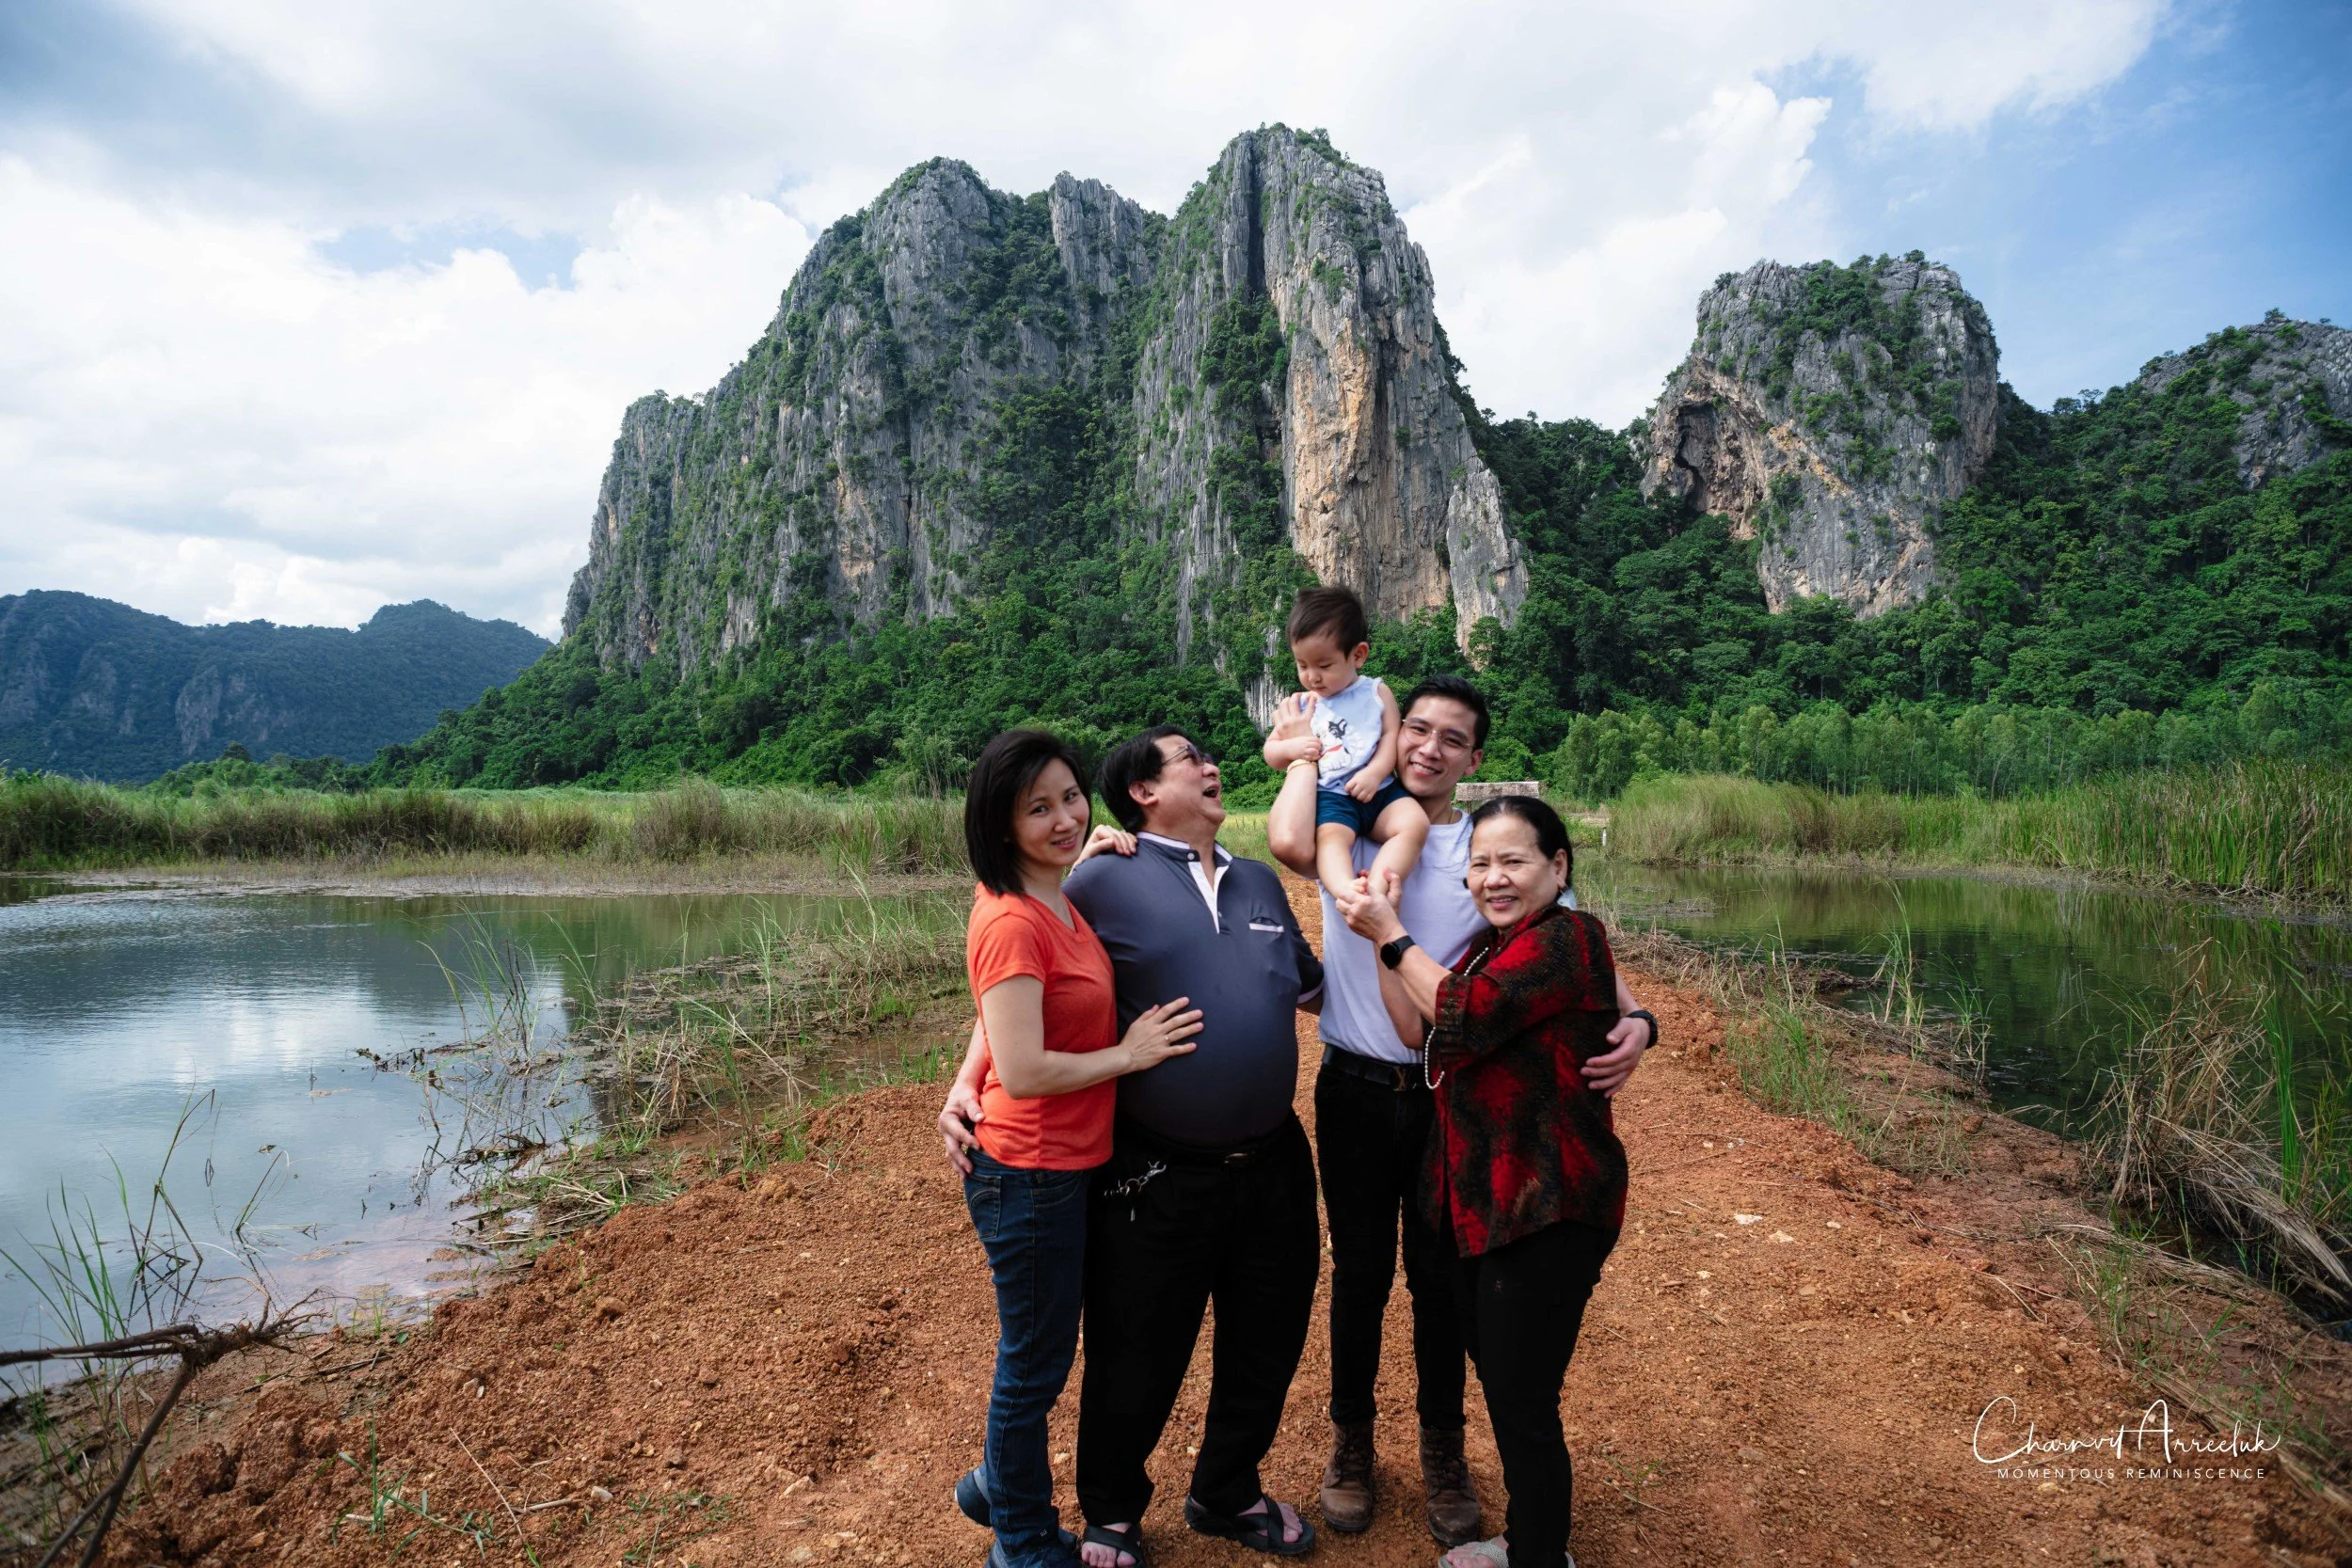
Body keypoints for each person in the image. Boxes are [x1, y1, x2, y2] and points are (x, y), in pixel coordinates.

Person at [1265, 677, 1655, 1545]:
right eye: (1418, 730)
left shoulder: (1484, 846)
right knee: (1360, 1274)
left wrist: (1641, 1022)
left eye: (1452, 739)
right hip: (1356, 1083)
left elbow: (1579, 944)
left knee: (1442, 1278)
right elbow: (1285, 838)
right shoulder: (1345, 826)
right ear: (1393, 732)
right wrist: (1299, 754)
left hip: (1450, 1097)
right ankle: (1352, 1444)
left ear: (1475, 759)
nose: (1429, 749)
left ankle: (1444, 1448)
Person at [1335, 795, 1630, 1568]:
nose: (1493, 877)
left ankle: (1539, 1554)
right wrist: (1379, 938)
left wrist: (1392, 934)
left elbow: (1463, 1014)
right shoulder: (1485, 950)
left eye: (1513, 861)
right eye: (1479, 864)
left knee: (1522, 1399)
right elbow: (1417, 1029)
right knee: (1506, 1380)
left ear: (1557, 866)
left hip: (1550, 1201)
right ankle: (1528, 1539)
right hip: (1487, 1205)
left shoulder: (1568, 937)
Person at [1055, 726, 1327, 1563]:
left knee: (1268, 1336)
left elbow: (1317, 988)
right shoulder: (1101, 879)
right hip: (1157, 1167)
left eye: (1209, 757)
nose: (1212, 766)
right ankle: (1111, 1509)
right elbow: (1022, 971)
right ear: (1142, 790)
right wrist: (967, 1078)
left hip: (1274, 1161)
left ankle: (1227, 1489)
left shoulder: (1258, 880)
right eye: (1189, 760)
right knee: (1136, 1341)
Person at [946, 729, 1207, 1568]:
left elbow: (1007, 1013)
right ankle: (1020, 1541)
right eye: (1039, 808)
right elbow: (1023, 1068)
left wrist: (1085, 855)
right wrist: (1127, 1055)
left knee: (1046, 1350)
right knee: (1033, 1364)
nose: (1064, 818)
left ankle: (995, 1486)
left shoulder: (1054, 897)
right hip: (1027, 1170)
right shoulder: (1010, 918)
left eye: (1070, 798)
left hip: (1065, 1166)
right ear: (1001, 822)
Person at [1261, 585, 1429, 910]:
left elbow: (1390, 736)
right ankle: (1347, 893)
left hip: (1381, 790)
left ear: (1358, 655)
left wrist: (1375, 773)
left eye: (1324, 666)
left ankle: (1377, 887)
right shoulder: (1302, 705)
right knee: (1331, 843)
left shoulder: (1376, 693)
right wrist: (1294, 747)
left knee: (1414, 824)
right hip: (1332, 798)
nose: (1312, 677)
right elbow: (1271, 753)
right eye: (1302, 665)